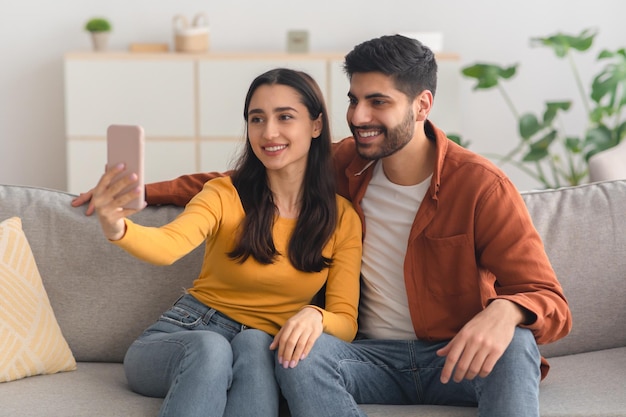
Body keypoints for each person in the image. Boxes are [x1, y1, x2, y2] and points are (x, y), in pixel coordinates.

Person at [74, 35, 572, 416]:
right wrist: (131, 196)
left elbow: (549, 300)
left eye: (378, 102)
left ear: (422, 105)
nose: (358, 116)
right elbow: (242, 179)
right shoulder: (347, 163)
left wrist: (505, 312)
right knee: (296, 355)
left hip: (453, 356)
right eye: (354, 100)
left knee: (518, 345)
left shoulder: (480, 186)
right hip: (365, 358)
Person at [87, 68, 362, 417]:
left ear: (316, 125)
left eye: (285, 117)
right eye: (257, 119)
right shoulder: (223, 194)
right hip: (186, 334)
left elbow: (346, 322)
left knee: (255, 343)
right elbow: (169, 244)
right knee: (213, 348)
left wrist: (315, 316)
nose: (268, 132)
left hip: (261, 345)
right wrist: (117, 228)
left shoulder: (341, 218)